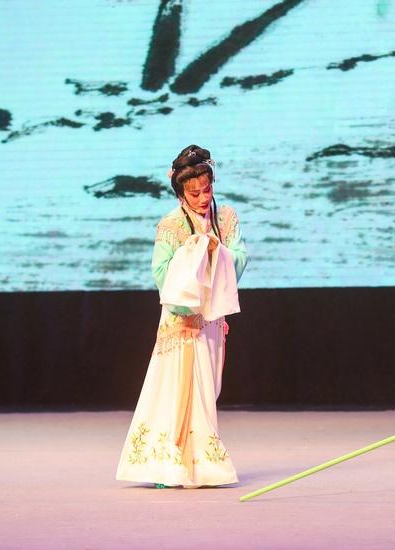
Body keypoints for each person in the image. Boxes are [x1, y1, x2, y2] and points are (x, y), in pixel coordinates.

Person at [115, 145, 247, 488]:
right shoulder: (171, 225)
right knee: (177, 392)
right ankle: (168, 464)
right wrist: (191, 255)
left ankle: (198, 463)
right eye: (194, 193)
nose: (203, 198)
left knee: (207, 391)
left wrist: (217, 253)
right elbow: (160, 273)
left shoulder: (225, 218)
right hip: (182, 322)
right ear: (180, 193)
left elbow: (240, 258)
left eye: (207, 189)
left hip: (211, 319)